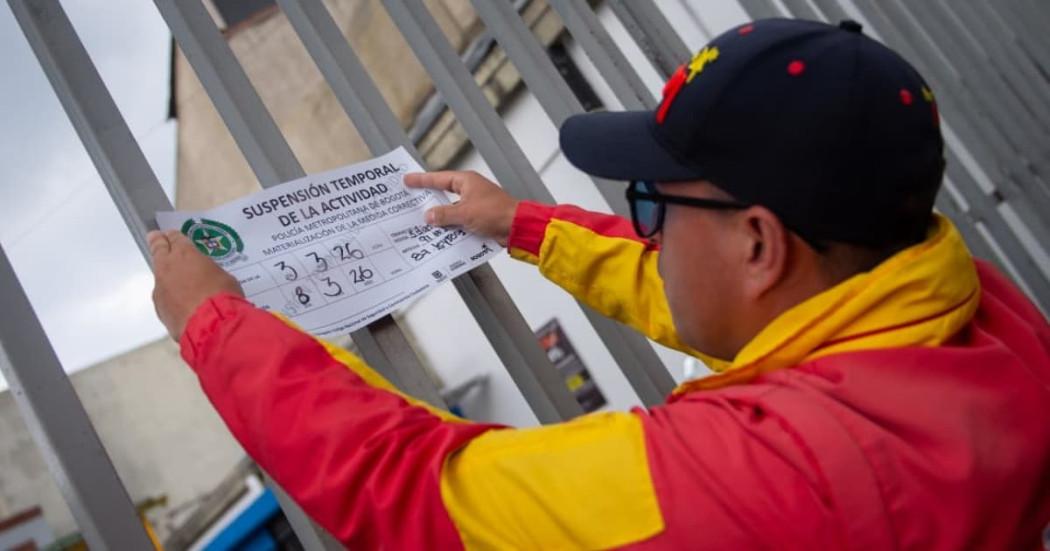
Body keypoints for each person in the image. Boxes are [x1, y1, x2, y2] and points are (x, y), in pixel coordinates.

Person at [149, 18, 1050, 549]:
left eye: (653, 199)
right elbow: (716, 299)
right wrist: (524, 226)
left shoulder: (762, 477)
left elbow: (425, 489)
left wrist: (217, 327)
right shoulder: (970, 310)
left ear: (759, 242)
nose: (645, 224)